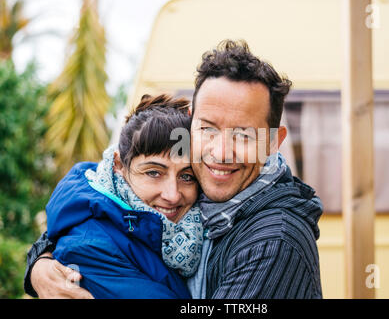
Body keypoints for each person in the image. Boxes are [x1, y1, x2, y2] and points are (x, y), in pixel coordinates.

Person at [25, 39, 323, 299]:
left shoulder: (274, 243)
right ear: (191, 124)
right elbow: (94, 196)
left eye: (243, 135)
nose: (221, 152)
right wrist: (41, 262)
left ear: (273, 142)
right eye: (208, 129)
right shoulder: (205, 204)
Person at [27, 94, 203, 298]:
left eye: (187, 176)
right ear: (118, 165)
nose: (172, 195)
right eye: (154, 173)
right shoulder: (90, 247)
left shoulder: (201, 222)